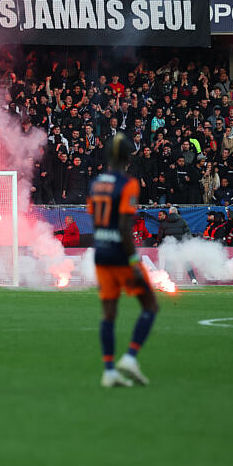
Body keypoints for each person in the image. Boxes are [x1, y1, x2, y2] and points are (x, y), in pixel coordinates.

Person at [87, 132, 159, 388]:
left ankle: (108, 370)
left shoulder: (95, 184)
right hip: (120, 254)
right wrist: (132, 262)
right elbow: (125, 227)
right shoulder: (128, 184)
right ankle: (130, 356)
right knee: (150, 305)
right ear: (128, 158)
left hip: (101, 252)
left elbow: (96, 218)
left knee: (108, 314)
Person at [157, 206, 197, 283]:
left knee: (168, 263)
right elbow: (188, 234)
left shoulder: (165, 222)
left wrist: (159, 243)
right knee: (186, 262)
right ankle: (193, 279)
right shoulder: (182, 221)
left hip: (170, 246)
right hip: (181, 245)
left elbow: (160, 235)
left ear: (169, 212)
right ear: (177, 212)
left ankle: (164, 280)